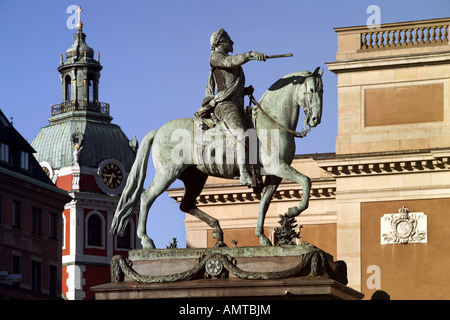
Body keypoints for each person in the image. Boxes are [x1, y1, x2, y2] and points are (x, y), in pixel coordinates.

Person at [196, 28, 266, 186]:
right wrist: (250, 55)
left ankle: (256, 166)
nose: (232, 42)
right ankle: (243, 173)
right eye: (229, 40)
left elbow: (230, 83)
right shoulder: (216, 57)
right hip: (225, 106)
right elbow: (231, 62)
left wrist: (244, 90)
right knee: (241, 134)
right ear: (220, 42)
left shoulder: (225, 58)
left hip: (236, 104)